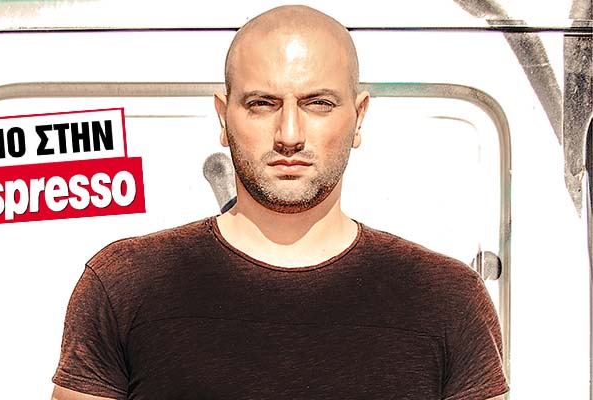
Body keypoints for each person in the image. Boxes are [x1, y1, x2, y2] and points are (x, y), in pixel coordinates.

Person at [51, 5, 508, 400]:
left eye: (319, 104)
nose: (289, 134)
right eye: (262, 103)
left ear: (359, 116)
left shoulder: (448, 300)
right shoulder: (126, 285)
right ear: (223, 117)